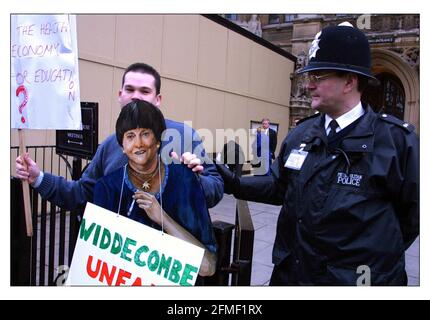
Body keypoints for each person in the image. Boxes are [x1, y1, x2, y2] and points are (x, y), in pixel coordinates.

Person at [216, 22, 419, 285]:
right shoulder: (302, 133)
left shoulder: (397, 142)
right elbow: (279, 185)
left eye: (318, 76)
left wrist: (373, 256)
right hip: (292, 276)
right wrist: (235, 184)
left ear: (349, 80)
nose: (308, 85)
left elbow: (411, 220)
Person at [15, 62, 223, 211]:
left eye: (144, 91)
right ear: (120, 95)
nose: (135, 96)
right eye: (130, 89)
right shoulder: (108, 146)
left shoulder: (184, 136)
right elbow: (82, 193)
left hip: (166, 264)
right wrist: (38, 178)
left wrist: (193, 181)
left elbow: (215, 188)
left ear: (157, 99)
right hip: (118, 264)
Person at [93, 100, 217, 278]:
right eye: (130, 136)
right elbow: (97, 259)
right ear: (122, 147)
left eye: (145, 134)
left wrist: (162, 218)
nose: (138, 144)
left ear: (158, 141)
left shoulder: (184, 180)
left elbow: (207, 266)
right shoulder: (106, 188)